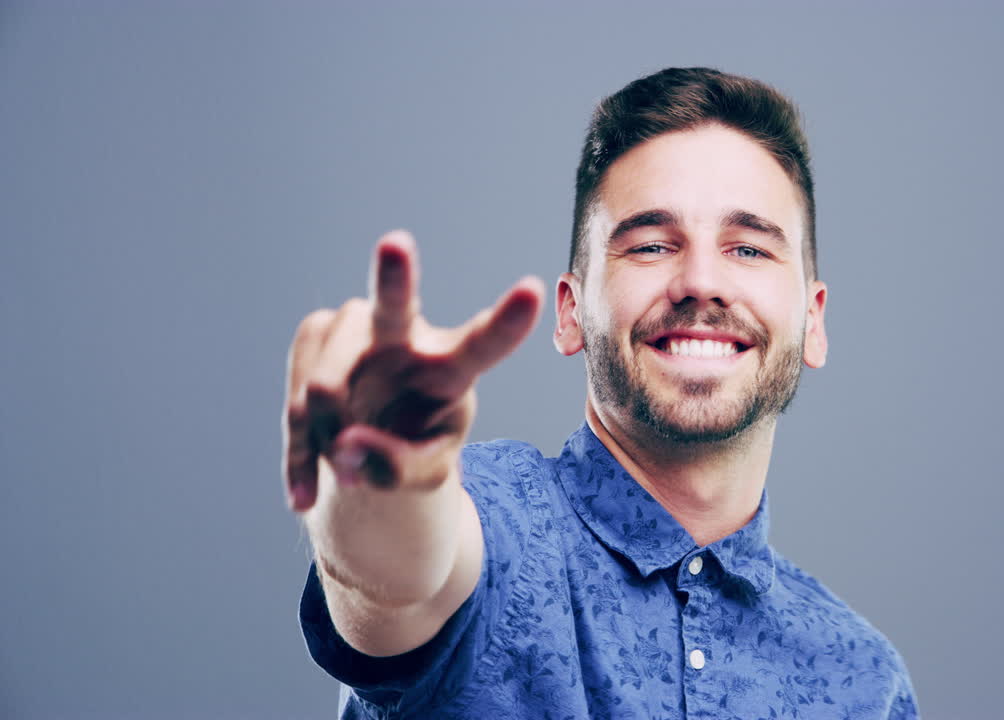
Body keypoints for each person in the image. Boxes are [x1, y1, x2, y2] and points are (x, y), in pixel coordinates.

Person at [284, 67, 919, 719]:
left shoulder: (866, 682)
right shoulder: (496, 529)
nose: (701, 281)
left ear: (813, 321)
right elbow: (395, 581)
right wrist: (381, 490)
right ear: (571, 312)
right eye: (651, 245)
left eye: (749, 250)